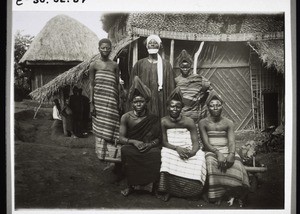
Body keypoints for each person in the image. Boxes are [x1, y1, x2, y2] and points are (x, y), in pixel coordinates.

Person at [198, 91, 250, 206]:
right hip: (210, 149)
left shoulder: (228, 122)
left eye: (218, 105)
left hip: (226, 148)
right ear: (208, 108)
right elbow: (205, 143)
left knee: (237, 163)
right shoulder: (203, 122)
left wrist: (231, 154)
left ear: (222, 106)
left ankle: (235, 192)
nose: (215, 108)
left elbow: (231, 141)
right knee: (211, 163)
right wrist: (218, 153)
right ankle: (216, 194)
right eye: (212, 105)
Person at [157, 87, 207, 202]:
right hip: (172, 147)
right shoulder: (163, 121)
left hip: (187, 147)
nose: (175, 109)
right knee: (166, 156)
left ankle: (193, 192)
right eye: (172, 106)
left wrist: (191, 153)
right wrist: (177, 148)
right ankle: (168, 190)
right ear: (168, 107)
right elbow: (164, 142)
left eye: (178, 107)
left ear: (181, 108)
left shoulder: (188, 121)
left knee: (200, 158)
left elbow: (196, 143)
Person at [119, 76, 161, 197]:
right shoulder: (126, 117)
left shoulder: (153, 118)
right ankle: (130, 185)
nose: (138, 104)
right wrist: (134, 142)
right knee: (125, 151)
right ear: (132, 103)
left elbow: (159, 138)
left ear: (146, 103)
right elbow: (121, 138)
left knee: (156, 153)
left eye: (141, 102)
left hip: (148, 146)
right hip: (133, 146)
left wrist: (149, 145)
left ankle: (154, 187)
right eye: (135, 102)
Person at [88, 38, 121, 161]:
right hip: (99, 101)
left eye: (108, 48)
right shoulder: (94, 65)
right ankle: (101, 154)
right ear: (99, 49)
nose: (105, 50)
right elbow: (91, 85)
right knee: (100, 126)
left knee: (112, 126)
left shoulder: (115, 65)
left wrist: (119, 102)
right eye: (103, 48)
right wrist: (92, 104)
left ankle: (112, 156)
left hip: (112, 101)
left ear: (111, 49)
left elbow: (117, 84)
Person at [129, 34, 175, 118]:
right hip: (144, 101)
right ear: (147, 46)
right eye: (150, 43)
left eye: (155, 43)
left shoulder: (166, 65)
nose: (153, 44)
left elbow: (171, 86)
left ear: (159, 46)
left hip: (160, 100)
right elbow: (133, 86)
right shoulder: (139, 64)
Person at [175, 49, 212, 123]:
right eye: (182, 66)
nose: (185, 69)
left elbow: (209, 90)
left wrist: (201, 100)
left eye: (187, 66)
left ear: (190, 66)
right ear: (179, 67)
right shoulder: (176, 80)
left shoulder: (198, 79)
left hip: (195, 114)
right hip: (181, 114)